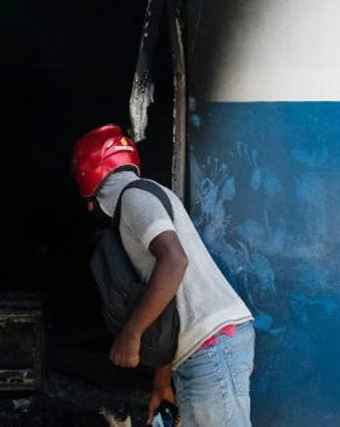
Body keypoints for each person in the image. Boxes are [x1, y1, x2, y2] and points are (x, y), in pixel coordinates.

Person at [71, 124, 255, 427]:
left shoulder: (134, 198)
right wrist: (161, 384)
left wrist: (131, 333)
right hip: (202, 349)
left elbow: (174, 261)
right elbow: (168, 303)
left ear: (88, 179)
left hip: (212, 346)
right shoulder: (143, 201)